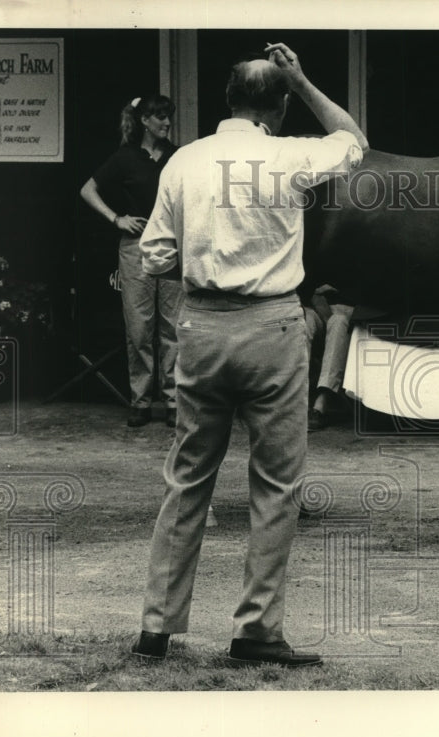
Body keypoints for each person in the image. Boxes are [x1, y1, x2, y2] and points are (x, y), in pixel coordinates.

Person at [131, 43, 367, 666]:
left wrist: (207, 262)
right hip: (272, 326)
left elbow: (153, 256)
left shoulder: (184, 160)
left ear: (228, 102)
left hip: (202, 326)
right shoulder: (288, 153)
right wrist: (305, 80)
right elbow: (353, 140)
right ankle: (255, 630)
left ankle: (157, 626)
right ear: (278, 108)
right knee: (276, 484)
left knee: (187, 481)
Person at [80, 94, 183, 428]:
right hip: (135, 246)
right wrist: (116, 219)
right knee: (139, 326)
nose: (167, 123)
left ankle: (172, 400)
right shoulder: (125, 158)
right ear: (144, 121)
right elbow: (88, 190)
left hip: (170, 245)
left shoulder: (178, 157)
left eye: (169, 117)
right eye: (160, 117)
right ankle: (139, 400)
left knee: (172, 326)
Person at [305, 284, 355, 431]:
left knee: (339, 321)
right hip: (316, 308)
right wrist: (316, 297)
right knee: (305, 319)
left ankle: (320, 404)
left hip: (347, 312)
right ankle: (295, 399)